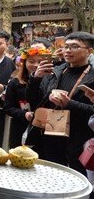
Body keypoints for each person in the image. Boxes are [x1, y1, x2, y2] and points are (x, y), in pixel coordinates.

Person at [26, 31, 94, 174]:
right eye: (66, 47)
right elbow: (34, 100)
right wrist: (35, 78)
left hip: (78, 136)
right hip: (49, 131)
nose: (68, 50)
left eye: (74, 47)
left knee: (75, 175)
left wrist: (69, 104)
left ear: (89, 51)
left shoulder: (91, 77)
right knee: (49, 172)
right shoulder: (56, 71)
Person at [3, 46, 48, 148]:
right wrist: (24, 114)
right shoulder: (14, 82)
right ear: (24, 63)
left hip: (44, 128)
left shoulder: (50, 81)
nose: (36, 65)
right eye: (31, 61)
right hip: (20, 127)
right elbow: (8, 107)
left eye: (40, 62)